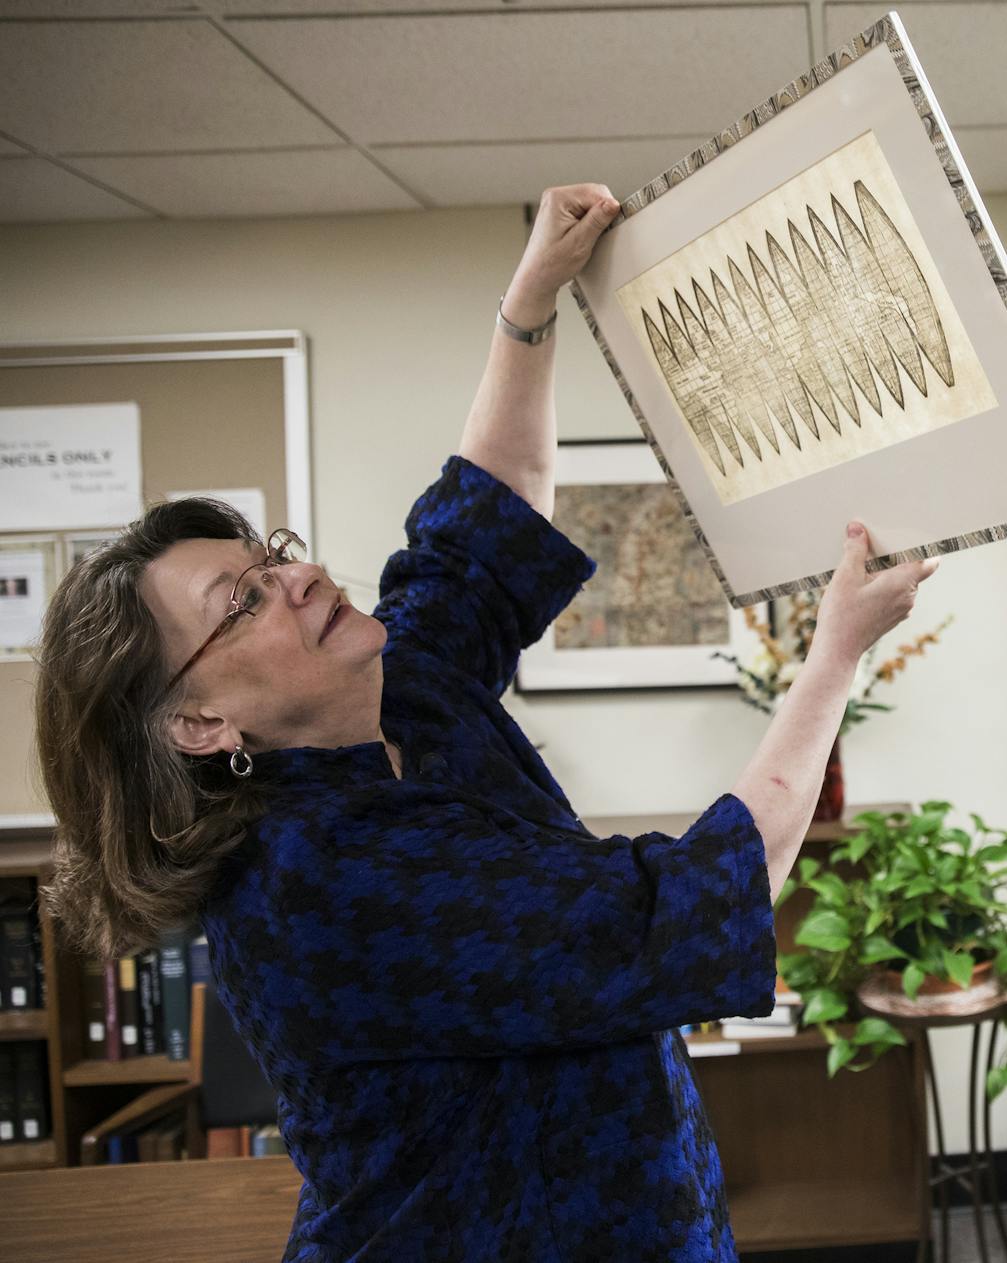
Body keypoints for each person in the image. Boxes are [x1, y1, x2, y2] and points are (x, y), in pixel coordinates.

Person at [35, 184, 938, 1263]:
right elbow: (689, 900)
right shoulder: (321, 876)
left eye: (271, 557)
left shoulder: (401, 687)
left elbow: (491, 512)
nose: (298, 576)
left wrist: (529, 304)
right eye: (241, 602)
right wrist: (833, 654)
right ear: (196, 725)